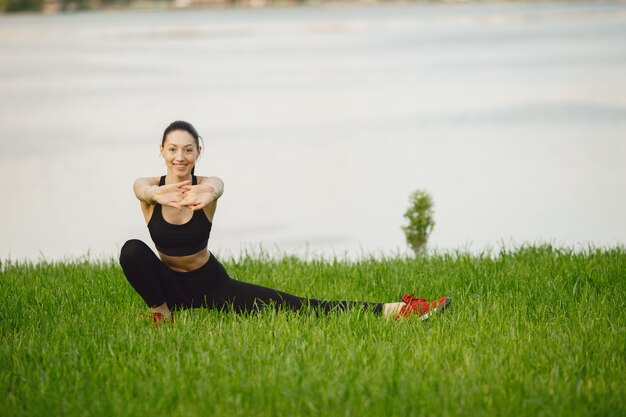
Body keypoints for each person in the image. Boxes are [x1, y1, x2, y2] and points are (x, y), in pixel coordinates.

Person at [119, 120, 451, 326]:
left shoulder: (207, 185)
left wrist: (211, 192)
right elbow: (140, 187)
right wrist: (156, 194)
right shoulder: (150, 190)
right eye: (173, 149)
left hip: (210, 284)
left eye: (188, 150)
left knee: (299, 307)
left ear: (198, 152)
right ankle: (162, 314)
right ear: (162, 151)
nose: (181, 157)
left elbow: (219, 184)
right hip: (168, 286)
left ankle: (399, 311)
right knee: (132, 250)